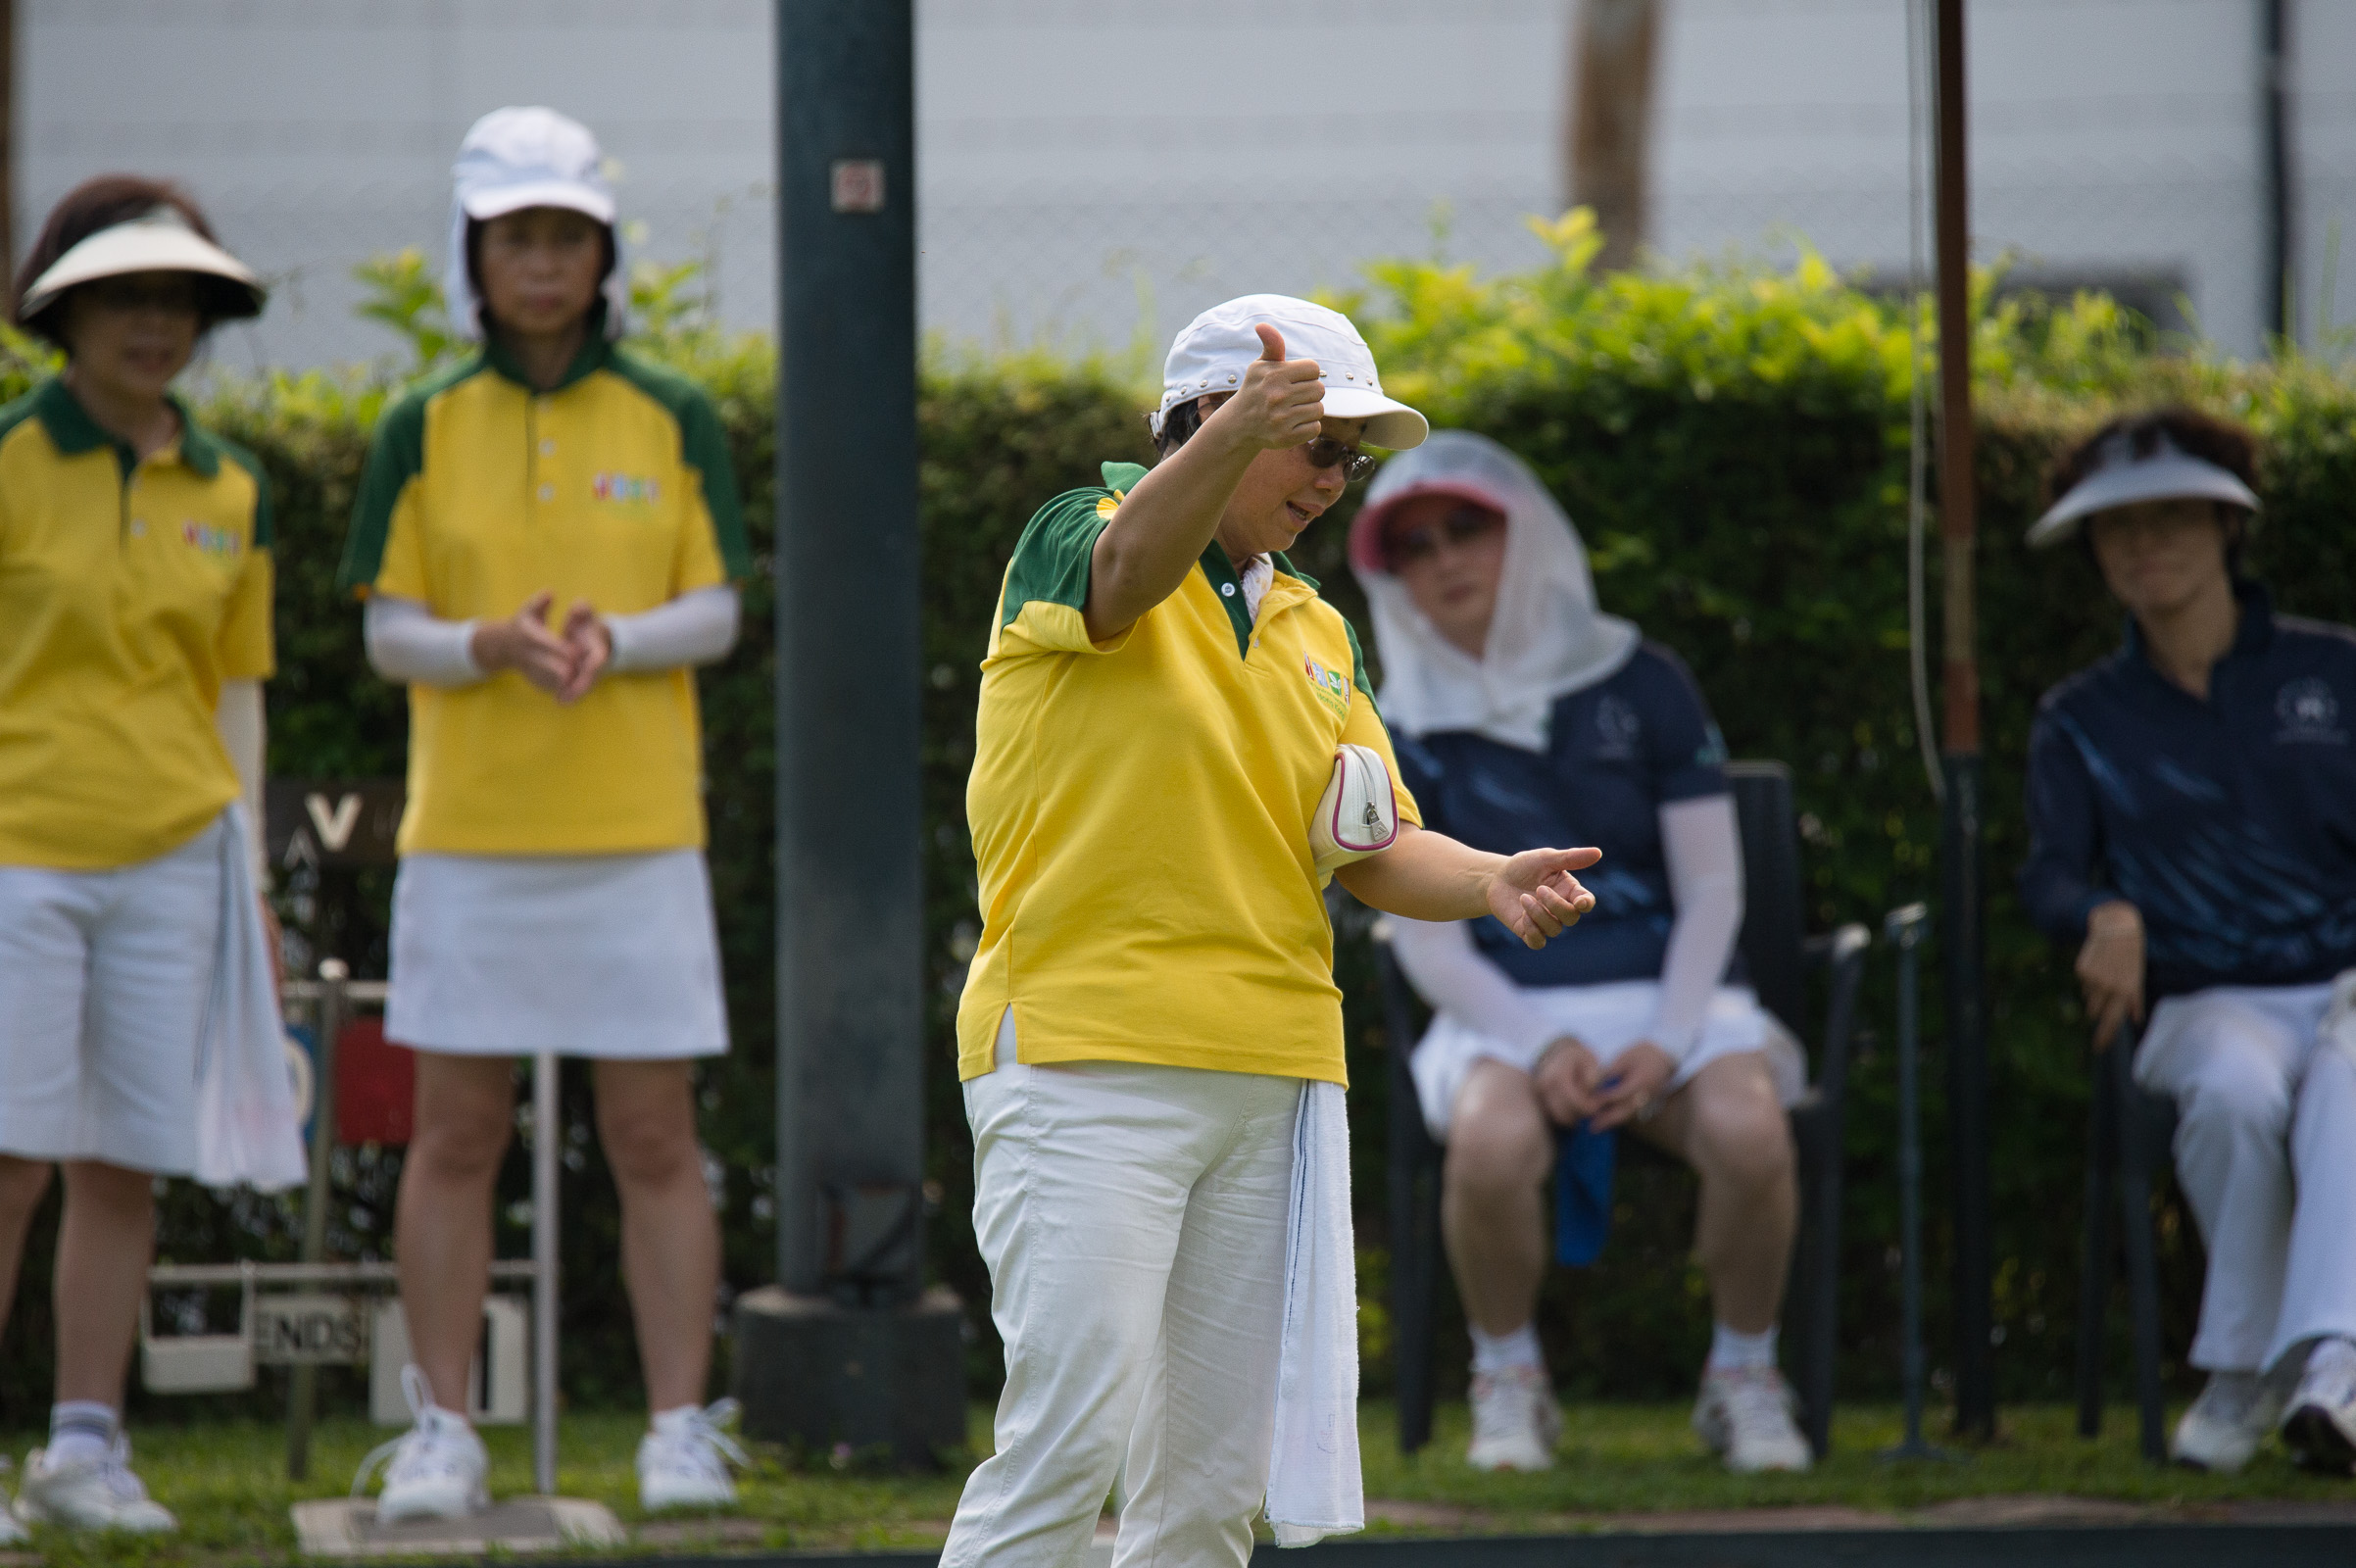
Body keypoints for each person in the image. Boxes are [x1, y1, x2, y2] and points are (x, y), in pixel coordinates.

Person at [946, 296, 1598, 1567]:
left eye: (1351, 458)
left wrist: (1489, 880)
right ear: (1211, 416)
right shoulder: (1076, 533)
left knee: (1209, 1492)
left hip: (1273, 1077)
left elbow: (1373, 842)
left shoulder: (1318, 627)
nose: (1334, 481)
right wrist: (1241, 427)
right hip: (1082, 1060)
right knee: (1066, 1452)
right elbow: (1129, 575)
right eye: (1318, 444)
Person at [336, 108, 751, 1520]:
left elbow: (717, 607)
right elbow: (388, 630)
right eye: (516, 235)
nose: (543, 260)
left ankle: (678, 1431)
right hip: (467, 835)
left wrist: (613, 642)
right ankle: (441, 1431)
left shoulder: (674, 412)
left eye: (567, 234)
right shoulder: (420, 423)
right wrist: (487, 646)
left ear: (601, 253)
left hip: (640, 833)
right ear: (474, 253)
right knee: (455, 1135)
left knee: (654, 1136)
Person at [1352, 430, 1815, 1475]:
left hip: (1677, 1006)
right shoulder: (1388, 724)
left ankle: (1744, 1374)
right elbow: (1418, 928)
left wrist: (1669, 1039)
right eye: (1414, 545)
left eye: (1465, 528)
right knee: (1487, 1144)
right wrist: (1540, 1041)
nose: (1444, 559)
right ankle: (1508, 1378)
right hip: (1501, 1015)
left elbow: (1713, 890)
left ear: (1525, 535)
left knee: (1750, 1130)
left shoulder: (1647, 681)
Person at [0, 176, 299, 1539]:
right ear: (62, 312)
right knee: (11, 1160)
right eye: (123, 297)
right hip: (19, 854)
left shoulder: (232, 485)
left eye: (177, 300)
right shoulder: (12, 458)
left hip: (178, 859)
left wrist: (256, 894)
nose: (153, 323)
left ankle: (82, 1450)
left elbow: (236, 700)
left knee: (125, 1159)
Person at [2020, 407, 2356, 1475]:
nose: (2144, 544)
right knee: (2234, 1093)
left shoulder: (2335, 670)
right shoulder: (2080, 716)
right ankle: (2252, 1374)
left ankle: (2330, 1372)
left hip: (2349, 987)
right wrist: (2102, 913)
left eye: (2170, 518)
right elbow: (2047, 874)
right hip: (2202, 1000)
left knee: (2349, 1085)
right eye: (2118, 528)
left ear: (2225, 527)